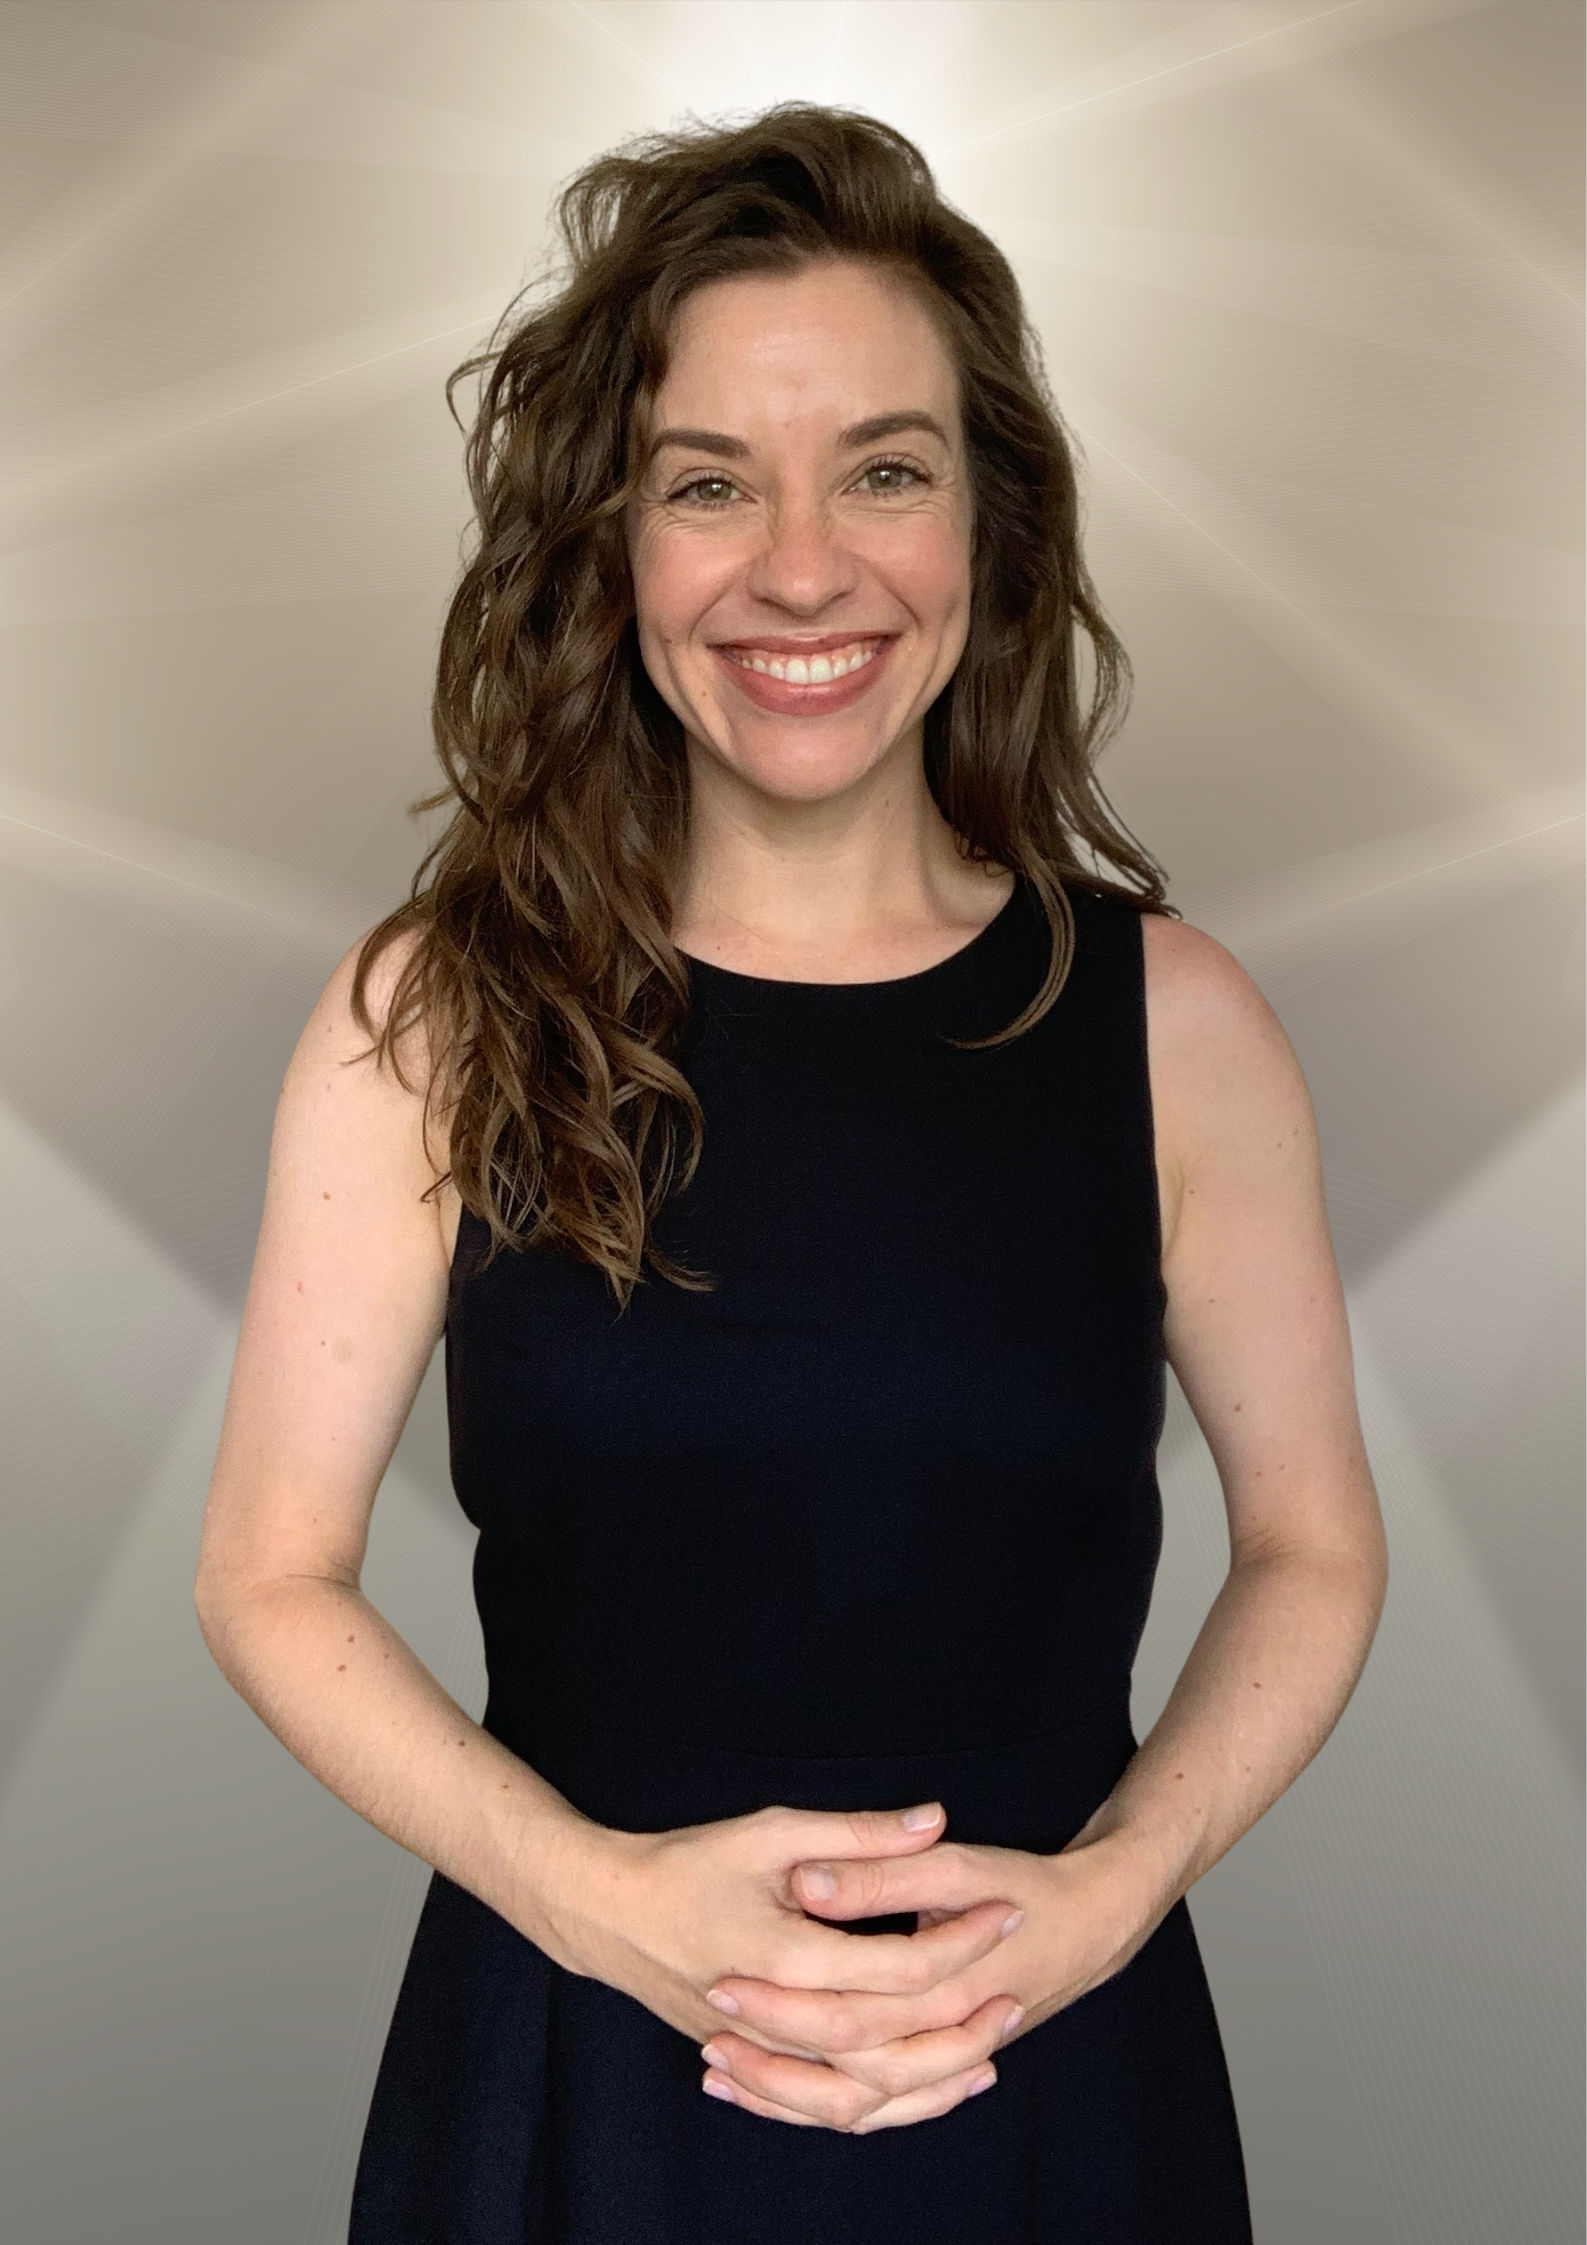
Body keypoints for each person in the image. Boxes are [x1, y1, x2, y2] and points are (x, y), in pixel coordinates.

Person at [194, 103, 1388, 2244]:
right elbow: (268, 1575)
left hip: (1055, 2103)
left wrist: (1111, 1899)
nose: (804, 569)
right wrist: (601, 1909)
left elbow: (1308, 1546)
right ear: (609, 543)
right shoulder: (439, 1010)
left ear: (988, 531)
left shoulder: (1179, 1030)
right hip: (566, 2084)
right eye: (709, 486)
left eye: (885, 471)